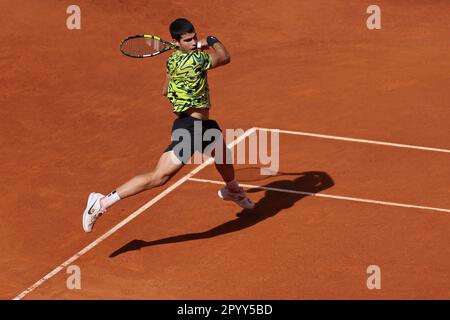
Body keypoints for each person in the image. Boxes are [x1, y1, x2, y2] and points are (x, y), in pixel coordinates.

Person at [82, 18, 254, 233]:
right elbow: (224, 57)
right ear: (177, 41)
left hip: (201, 124)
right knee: (159, 177)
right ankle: (101, 202)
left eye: (194, 38)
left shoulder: (172, 61)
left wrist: (189, 56)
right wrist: (212, 39)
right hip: (190, 129)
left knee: (221, 152)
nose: (193, 43)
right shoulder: (196, 60)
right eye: (188, 40)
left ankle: (233, 190)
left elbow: (165, 90)